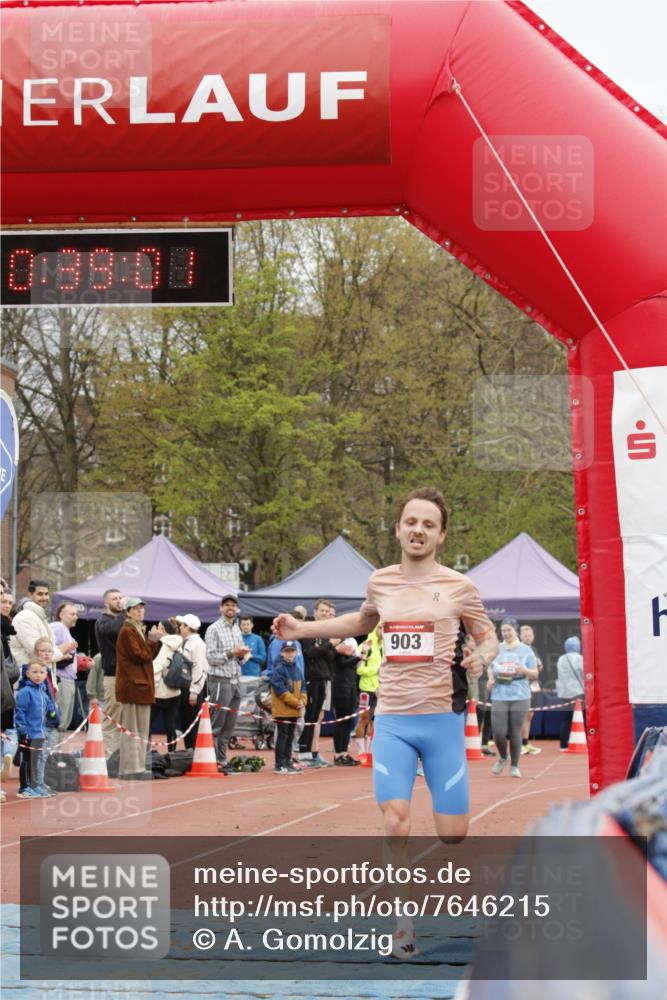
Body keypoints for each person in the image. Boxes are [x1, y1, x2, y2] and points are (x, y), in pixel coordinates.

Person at [274, 487, 497, 909]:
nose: (418, 530)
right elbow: (361, 620)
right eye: (411, 522)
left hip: (441, 720)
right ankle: (402, 923)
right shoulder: (380, 581)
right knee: (395, 823)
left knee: (453, 833)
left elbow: (489, 639)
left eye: (428, 525)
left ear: (441, 535)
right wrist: (300, 630)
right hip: (392, 718)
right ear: (398, 529)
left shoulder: (459, 587)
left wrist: (481, 657)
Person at [114, 598, 161, 780]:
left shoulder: (136, 629)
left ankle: (138, 766)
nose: (140, 611)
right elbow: (139, 656)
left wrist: (153, 642)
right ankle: (130, 768)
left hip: (140, 686)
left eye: (141, 608)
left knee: (140, 730)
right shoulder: (127, 631)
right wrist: (152, 641)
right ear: (128, 612)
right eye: (136, 609)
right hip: (133, 687)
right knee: (133, 730)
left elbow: (147, 657)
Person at [204, 595, 250, 773]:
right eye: (227, 605)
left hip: (235, 680)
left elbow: (238, 658)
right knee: (217, 723)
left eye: (233, 605)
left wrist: (241, 655)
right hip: (220, 681)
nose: (230, 608)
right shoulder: (213, 629)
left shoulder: (237, 629)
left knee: (229, 725)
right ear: (221, 608)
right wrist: (233, 652)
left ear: (237, 609)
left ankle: (222, 759)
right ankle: (213, 760)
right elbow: (211, 658)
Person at [488, 618, 538, 778]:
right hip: (499, 693)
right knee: (498, 732)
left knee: (515, 731)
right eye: (503, 630)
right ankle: (503, 756)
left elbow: (535, 673)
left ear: (515, 631)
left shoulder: (526, 650)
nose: (506, 633)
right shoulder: (497, 648)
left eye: (509, 630)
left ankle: (515, 765)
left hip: (520, 694)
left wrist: (523, 669)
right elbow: (490, 666)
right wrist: (490, 679)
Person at [297, 599, 337, 768]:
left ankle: (310, 753)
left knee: (315, 716)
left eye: (328, 612)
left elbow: (331, 656)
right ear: (315, 611)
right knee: (309, 715)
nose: (325, 614)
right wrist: (329, 645)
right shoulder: (308, 629)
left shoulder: (325, 631)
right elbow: (311, 652)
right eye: (322, 611)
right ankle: (303, 751)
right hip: (311, 677)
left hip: (324, 677)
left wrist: (328, 647)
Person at [15, 659, 60, 798]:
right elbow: (20, 712)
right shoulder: (25, 692)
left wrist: (53, 713)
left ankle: (36, 785)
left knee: (37, 760)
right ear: (28, 674)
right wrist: (23, 732)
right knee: (27, 760)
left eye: (41, 672)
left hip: (40, 732)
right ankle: (24, 787)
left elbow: (49, 706)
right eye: (34, 672)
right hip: (29, 733)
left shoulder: (42, 691)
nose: (38, 675)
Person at [94, 588, 125, 757]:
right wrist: (125, 610)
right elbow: (113, 630)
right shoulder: (103, 621)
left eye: (121, 598)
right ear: (106, 603)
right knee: (112, 718)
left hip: (127, 676)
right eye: (115, 599)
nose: (119, 601)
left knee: (124, 719)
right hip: (113, 675)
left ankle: (118, 757)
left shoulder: (124, 621)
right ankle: (105, 756)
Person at [270, 641, 307, 774]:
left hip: (294, 710)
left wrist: (302, 701)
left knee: (291, 736)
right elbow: (280, 690)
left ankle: (287, 761)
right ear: (282, 653)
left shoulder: (297, 669)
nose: (289, 654)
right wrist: (295, 702)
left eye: (292, 651)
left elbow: (303, 688)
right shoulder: (279, 669)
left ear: (296, 653)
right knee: (282, 736)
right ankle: (279, 764)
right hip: (282, 711)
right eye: (287, 651)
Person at [175, 614, 209, 750]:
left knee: (193, 723)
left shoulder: (198, 644)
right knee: (186, 723)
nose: (179, 627)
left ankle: (194, 754)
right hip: (185, 686)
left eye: (181, 625)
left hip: (192, 688)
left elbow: (200, 669)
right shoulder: (186, 642)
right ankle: (190, 752)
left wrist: (194, 692)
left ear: (187, 627)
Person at [151, 620, 183, 752]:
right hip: (175, 691)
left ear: (163, 630)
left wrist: (153, 687)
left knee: (147, 724)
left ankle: (146, 754)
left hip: (159, 692)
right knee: (171, 726)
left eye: (158, 628)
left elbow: (156, 669)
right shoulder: (180, 644)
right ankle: (172, 754)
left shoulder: (162, 645)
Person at [353, 623, 382, 760]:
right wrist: (375, 670)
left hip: (380, 689)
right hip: (365, 689)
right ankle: (360, 752)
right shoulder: (366, 645)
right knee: (364, 719)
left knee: (375, 721)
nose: (383, 631)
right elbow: (358, 669)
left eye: (385, 628)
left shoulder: (387, 645)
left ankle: (370, 753)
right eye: (380, 627)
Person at [331, 635, 362, 765]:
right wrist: (358, 658)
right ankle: (339, 754)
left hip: (351, 686)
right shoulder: (338, 646)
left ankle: (344, 752)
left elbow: (354, 664)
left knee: (349, 722)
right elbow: (342, 663)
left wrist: (360, 655)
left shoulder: (351, 648)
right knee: (342, 721)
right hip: (340, 687)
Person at [50, 602, 79, 735]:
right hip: (62, 679)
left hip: (69, 680)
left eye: (76, 614)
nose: (76, 617)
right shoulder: (58, 627)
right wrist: (62, 655)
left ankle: (57, 752)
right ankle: (53, 753)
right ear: (61, 615)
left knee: (64, 722)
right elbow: (46, 646)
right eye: (72, 614)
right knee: (59, 721)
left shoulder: (66, 632)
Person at [1, 591, 19, 783]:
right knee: (8, 731)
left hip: (6, 689)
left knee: (7, 730)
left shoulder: (6, 630)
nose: (6, 605)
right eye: (2, 601)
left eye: (9, 602)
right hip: (4, 689)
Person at [556, 635, 585, 750]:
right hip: (578, 692)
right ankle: (584, 742)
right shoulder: (580, 658)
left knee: (566, 719)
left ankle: (563, 745)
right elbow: (584, 674)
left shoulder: (561, 659)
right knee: (582, 719)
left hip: (564, 694)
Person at [518, 623, 543, 755]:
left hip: (533, 685)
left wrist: (539, 666)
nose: (528, 637)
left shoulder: (534, 649)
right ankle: (518, 744)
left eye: (529, 635)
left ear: (533, 636)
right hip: (521, 685)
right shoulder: (519, 649)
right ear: (520, 636)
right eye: (525, 635)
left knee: (530, 714)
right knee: (521, 714)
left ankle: (525, 743)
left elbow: (538, 668)